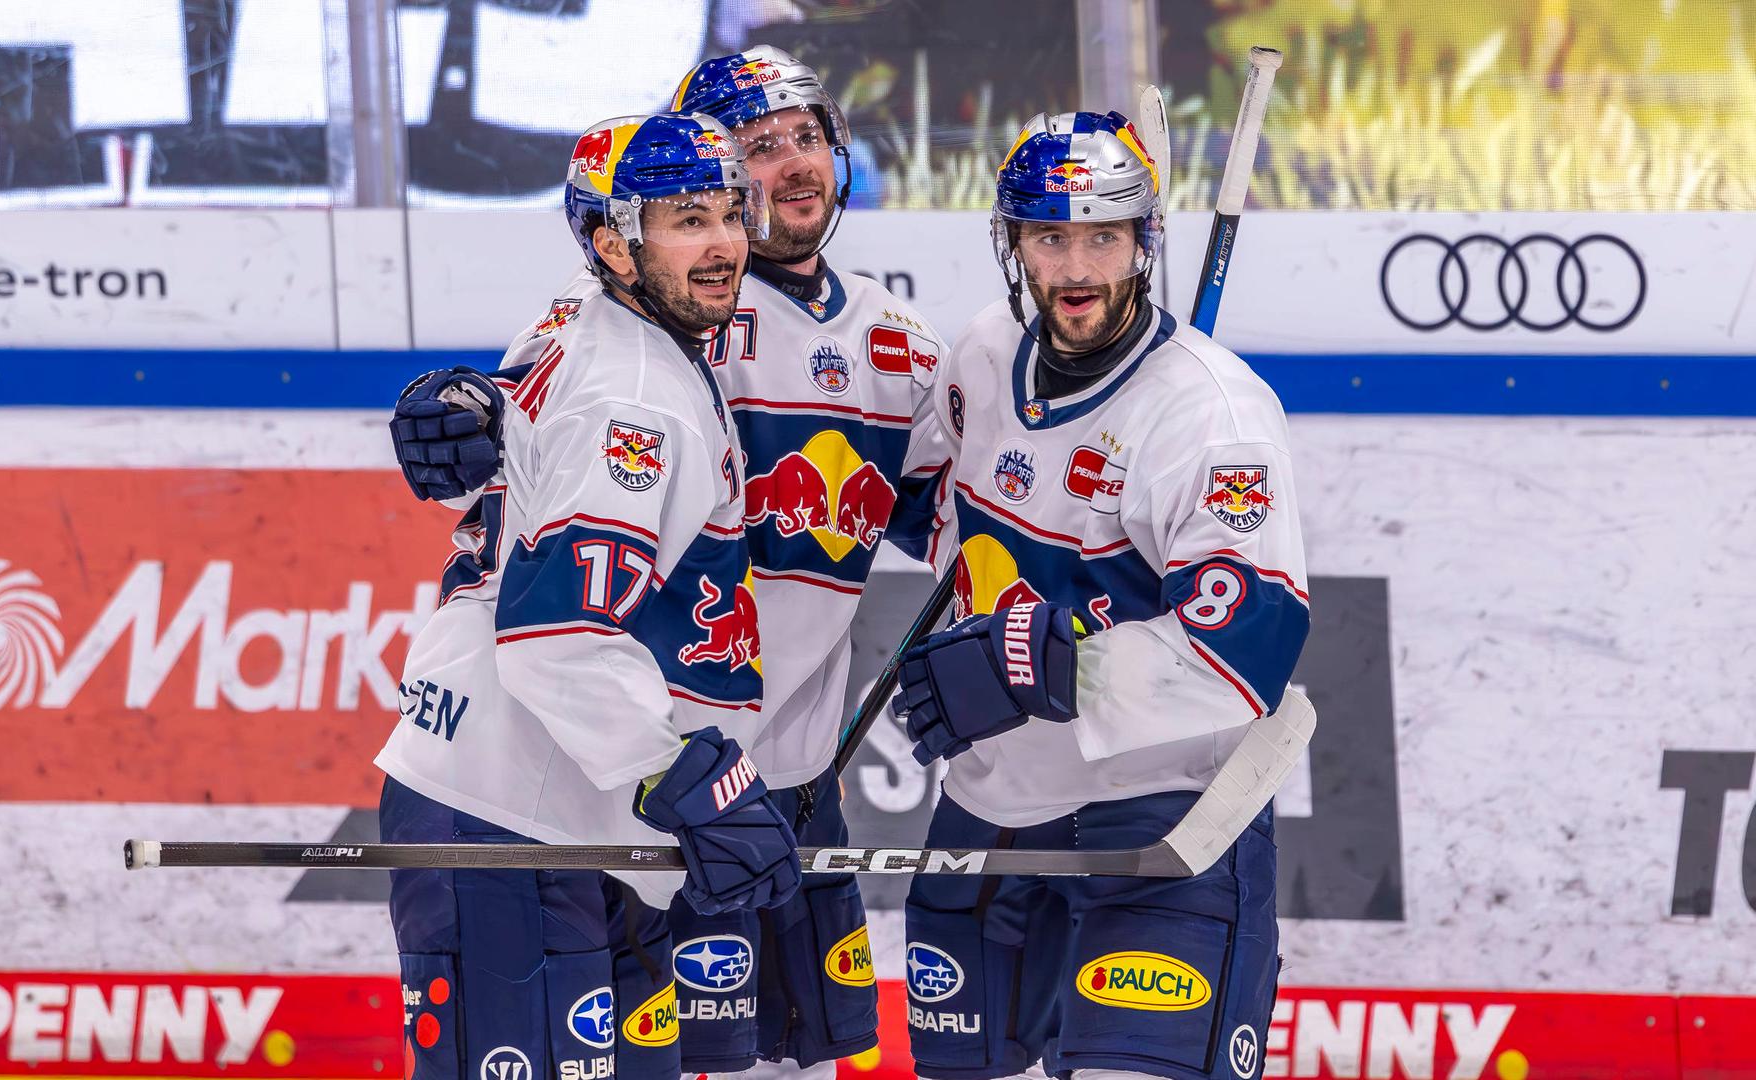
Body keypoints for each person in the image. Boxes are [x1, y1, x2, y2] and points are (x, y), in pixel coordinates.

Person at [390, 46, 953, 1080]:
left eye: (800, 141)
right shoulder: (630, 348)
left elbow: (972, 523)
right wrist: (472, 410)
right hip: (627, 769)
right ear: (617, 240)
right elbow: (551, 604)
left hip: (725, 773)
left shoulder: (894, 350)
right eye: (700, 202)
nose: (734, 223)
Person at [373, 111, 805, 1080]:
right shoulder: (635, 398)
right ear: (615, 242)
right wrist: (686, 775)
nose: (724, 245)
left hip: (565, 805)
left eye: (730, 214)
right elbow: (556, 634)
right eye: (685, 220)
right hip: (506, 804)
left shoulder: (587, 311)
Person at [889, 111, 1310, 1080]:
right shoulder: (985, 359)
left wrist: (1045, 664)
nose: (1076, 267)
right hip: (996, 803)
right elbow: (925, 508)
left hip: (1159, 810)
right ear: (1015, 245)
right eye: (1050, 236)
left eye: (1103, 238)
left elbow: (1247, 644)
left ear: (1143, 243)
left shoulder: (1214, 415)